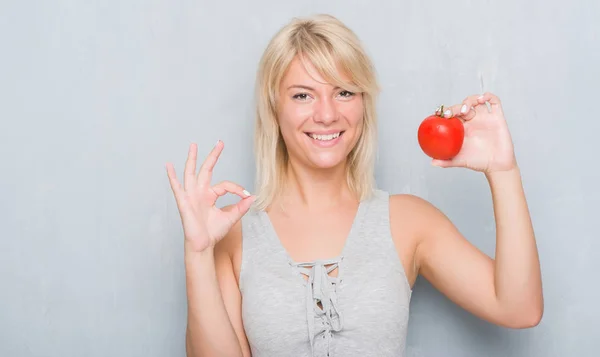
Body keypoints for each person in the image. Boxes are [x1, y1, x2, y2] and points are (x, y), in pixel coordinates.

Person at [165, 14, 543, 357]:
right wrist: (198, 254)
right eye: (302, 95)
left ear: (363, 103)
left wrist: (503, 171)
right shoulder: (234, 236)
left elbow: (519, 308)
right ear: (274, 109)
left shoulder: (409, 221)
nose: (327, 114)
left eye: (344, 92)